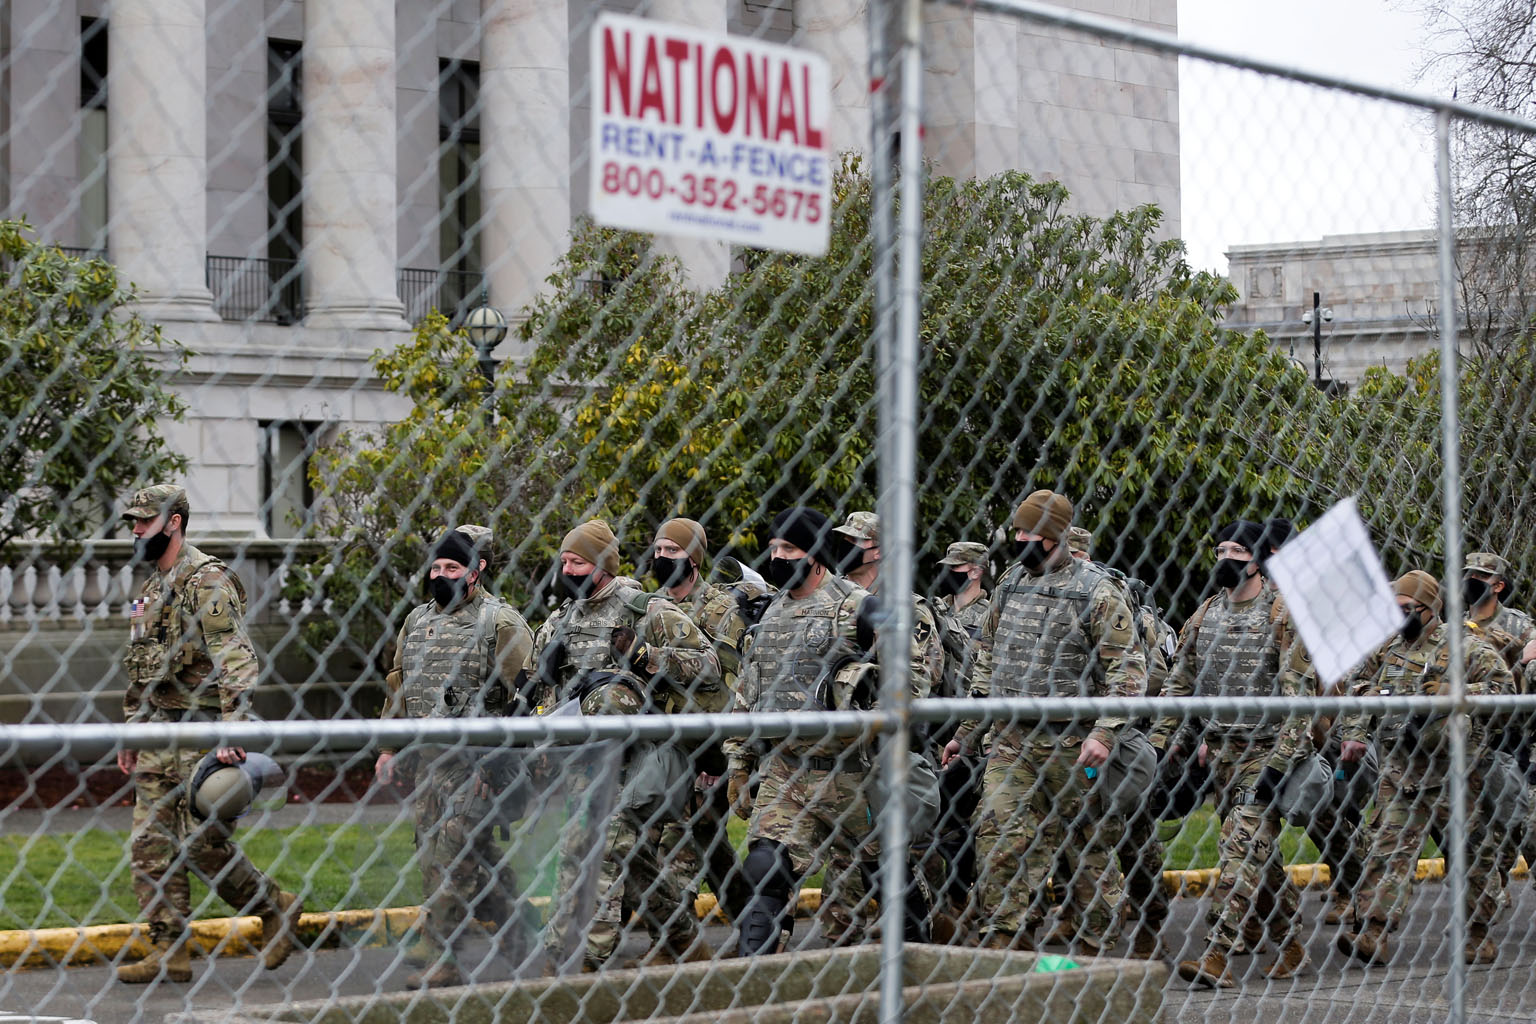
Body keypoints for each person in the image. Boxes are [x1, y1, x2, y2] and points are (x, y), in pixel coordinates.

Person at [941, 490, 1147, 955]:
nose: (1019, 539)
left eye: (1029, 532)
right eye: (1017, 531)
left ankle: (1096, 946)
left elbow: (1128, 670)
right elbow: (986, 660)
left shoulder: (1097, 590)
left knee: (1087, 851)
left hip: (1073, 744)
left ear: (1054, 536)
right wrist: (966, 734)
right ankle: (1004, 941)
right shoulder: (1011, 584)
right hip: (1013, 741)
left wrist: (1104, 732)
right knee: (998, 839)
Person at [115, 485, 303, 984]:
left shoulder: (208, 580)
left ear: (174, 523)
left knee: (200, 845)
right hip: (158, 731)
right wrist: (132, 731)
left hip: (203, 731)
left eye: (144, 521)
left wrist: (231, 727)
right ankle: (169, 948)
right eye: (132, 522)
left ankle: (274, 905)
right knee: (149, 843)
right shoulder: (151, 590)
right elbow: (139, 673)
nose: (135, 530)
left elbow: (236, 658)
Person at [724, 507, 931, 955]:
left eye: (789, 548)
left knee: (886, 875)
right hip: (787, 771)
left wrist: (874, 698)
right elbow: (749, 689)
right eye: (774, 547)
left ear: (815, 553)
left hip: (852, 771)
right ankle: (755, 978)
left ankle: (921, 964)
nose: (777, 557)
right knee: (764, 868)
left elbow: (913, 672)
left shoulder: (853, 606)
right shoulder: (771, 612)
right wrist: (739, 762)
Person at [529, 519, 721, 971]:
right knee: (628, 857)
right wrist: (541, 677)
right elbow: (544, 694)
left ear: (600, 564)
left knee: (594, 847)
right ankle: (682, 937)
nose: (566, 568)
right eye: (563, 561)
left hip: (635, 759)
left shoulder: (642, 608)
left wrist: (644, 654)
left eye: (576, 561)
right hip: (582, 756)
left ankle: (579, 958)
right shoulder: (562, 619)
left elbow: (708, 665)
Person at [374, 528, 534, 988]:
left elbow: (528, 697)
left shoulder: (500, 623)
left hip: (480, 765)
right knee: (444, 856)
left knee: (454, 851)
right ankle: (514, 928)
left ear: (476, 570)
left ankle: (443, 956)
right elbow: (399, 687)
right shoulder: (416, 621)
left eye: (452, 568)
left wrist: (500, 762)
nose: (441, 575)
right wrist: (389, 747)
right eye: (437, 567)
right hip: (431, 763)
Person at [1335, 570, 1514, 965]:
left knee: (1471, 855)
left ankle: (1477, 934)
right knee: (1387, 852)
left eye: (1406, 609)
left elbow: (1505, 690)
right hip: (1400, 772)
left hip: (1457, 774)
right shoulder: (1385, 647)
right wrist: (1364, 719)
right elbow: (1354, 685)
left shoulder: (1465, 645)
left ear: (1430, 609)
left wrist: (1456, 694)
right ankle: (1374, 934)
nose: (1397, 616)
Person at [1170, 519, 1316, 988]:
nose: (1224, 559)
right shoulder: (1205, 614)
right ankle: (1291, 943)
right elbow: (1179, 683)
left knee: (1239, 847)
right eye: (1219, 549)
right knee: (1257, 854)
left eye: (1235, 550)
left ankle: (1216, 954)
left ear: (1256, 560)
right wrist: (1167, 742)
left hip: (1268, 751)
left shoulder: (1280, 614)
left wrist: (1278, 765)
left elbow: (1302, 703)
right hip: (1222, 754)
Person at [647, 517, 769, 928]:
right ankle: (756, 924)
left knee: (679, 839)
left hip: (712, 743)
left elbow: (729, 678)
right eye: (658, 550)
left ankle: (673, 940)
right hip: (666, 739)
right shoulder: (649, 605)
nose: (661, 558)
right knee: (705, 838)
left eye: (672, 551)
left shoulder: (721, 609)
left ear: (694, 560)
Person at [926, 541, 991, 936]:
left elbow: (980, 661)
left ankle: (972, 900)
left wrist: (947, 627)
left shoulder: (991, 612)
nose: (948, 572)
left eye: (957, 566)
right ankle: (949, 900)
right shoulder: (937, 608)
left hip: (980, 729)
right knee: (940, 817)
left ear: (975, 571)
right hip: (941, 728)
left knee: (978, 820)